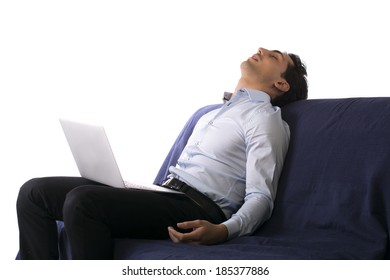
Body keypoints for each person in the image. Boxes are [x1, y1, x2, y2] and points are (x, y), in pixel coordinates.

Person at [16, 47, 308, 259]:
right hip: (166, 194)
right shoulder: (211, 113)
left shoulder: (266, 119)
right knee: (34, 193)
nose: (261, 49)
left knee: (83, 202)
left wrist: (224, 230)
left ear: (280, 84)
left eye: (274, 56)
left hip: (199, 208)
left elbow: (261, 197)